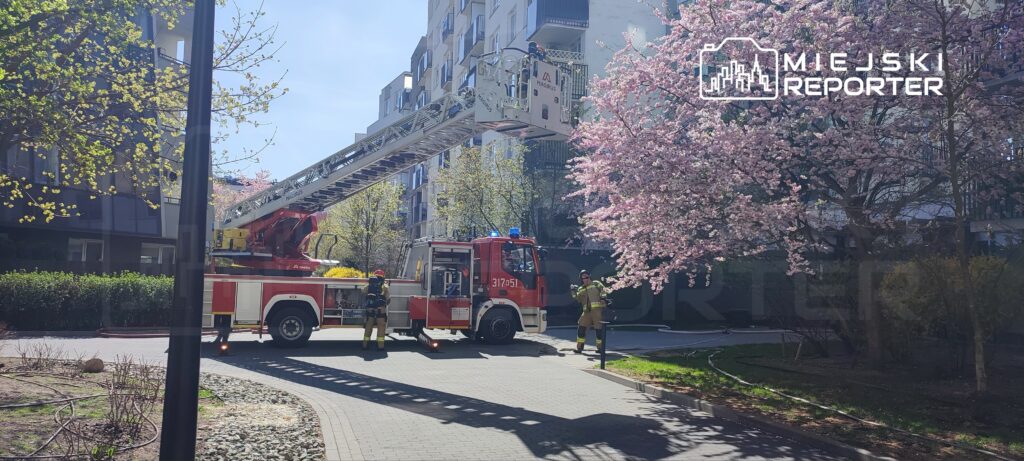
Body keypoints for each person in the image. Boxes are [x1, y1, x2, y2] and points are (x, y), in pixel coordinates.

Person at [573, 269, 608, 354]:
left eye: (587, 277)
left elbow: (603, 290)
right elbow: (578, 299)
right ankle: (579, 348)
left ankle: (600, 348)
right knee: (581, 328)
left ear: (589, 277)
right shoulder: (581, 288)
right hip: (586, 312)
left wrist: (603, 298)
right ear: (581, 279)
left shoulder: (596, 283)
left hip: (597, 311)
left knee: (599, 329)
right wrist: (573, 291)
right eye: (583, 278)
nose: (585, 279)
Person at [361, 269, 390, 351]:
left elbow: (363, 291)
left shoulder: (369, 284)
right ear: (383, 276)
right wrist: (384, 304)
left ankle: (365, 345)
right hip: (380, 310)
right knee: (381, 327)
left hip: (370, 310)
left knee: (368, 326)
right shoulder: (385, 286)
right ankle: (380, 347)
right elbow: (388, 298)